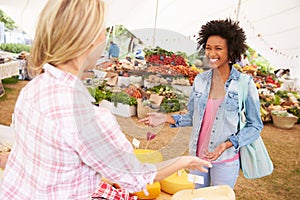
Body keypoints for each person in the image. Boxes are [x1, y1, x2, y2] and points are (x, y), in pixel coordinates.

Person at [0, 1, 211, 199]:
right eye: (102, 29)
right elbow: (135, 176)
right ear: (89, 41)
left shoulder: (33, 88)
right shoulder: (89, 117)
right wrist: (182, 161)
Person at [139, 19, 263, 189]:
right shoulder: (200, 80)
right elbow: (193, 116)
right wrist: (164, 118)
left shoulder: (244, 83)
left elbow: (255, 126)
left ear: (231, 50)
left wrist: (228, 144)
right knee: (197, 196)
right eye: (208, 48)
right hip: (196, 158)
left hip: (225, 160)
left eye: (218, 48)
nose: (211, 53)